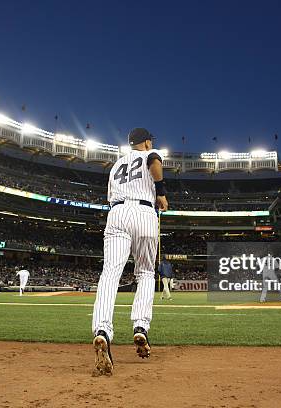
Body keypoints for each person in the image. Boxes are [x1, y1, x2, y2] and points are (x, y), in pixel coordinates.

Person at [91, 128, 168, 376]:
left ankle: (102, 330)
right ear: (146, 142)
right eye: (150, 141)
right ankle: (140, 327)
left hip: (117, 213)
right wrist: (162, 193)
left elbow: (109, 197)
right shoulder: (150, 153)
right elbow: (155, 162)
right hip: (144, 213)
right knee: (145, 273)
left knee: (110, 274)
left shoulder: (116, 165)